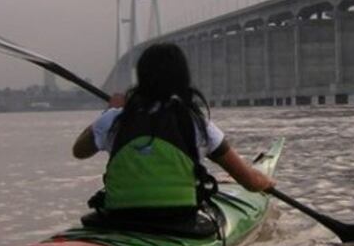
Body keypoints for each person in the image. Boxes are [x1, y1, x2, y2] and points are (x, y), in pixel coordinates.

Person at [72, 42, 273, 234]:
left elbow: (79, 151)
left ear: (141, 77)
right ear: (182, 78)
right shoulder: (197, 124)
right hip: (178, 219)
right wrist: (267, 182)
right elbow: (249, 182)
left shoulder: (115, 119)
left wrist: (110, 111)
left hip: (120, 217)